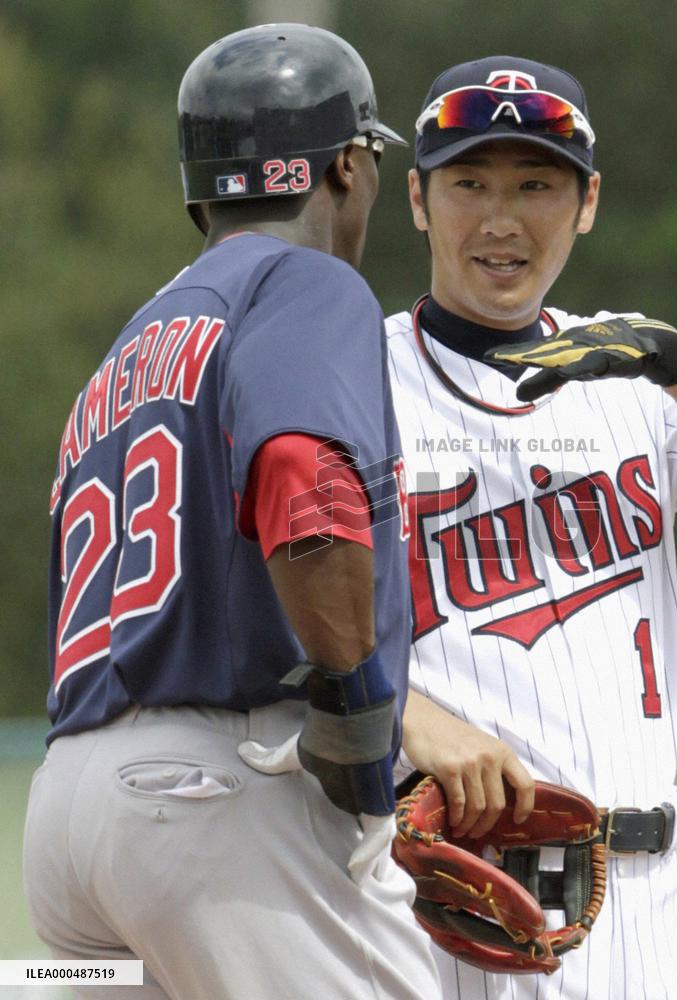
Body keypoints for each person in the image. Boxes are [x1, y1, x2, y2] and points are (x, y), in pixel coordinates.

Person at [385, 55, 677, 998]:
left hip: (650, 898)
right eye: (469, 183)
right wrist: (403, 714)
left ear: (586, 202)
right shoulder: (355, 379)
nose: (501, 219)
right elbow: (261, 614)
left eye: (536, 185)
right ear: (418, 200)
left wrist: (675, 359)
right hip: (456, 894)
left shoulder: (636, 376)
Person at [24, 24, 440, 1000]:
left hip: (69, 814)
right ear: (348, 166)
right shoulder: (304, 281)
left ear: (199, 190)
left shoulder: (124, 354)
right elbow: (301, 473)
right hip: (216, 797)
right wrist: (354, 704)